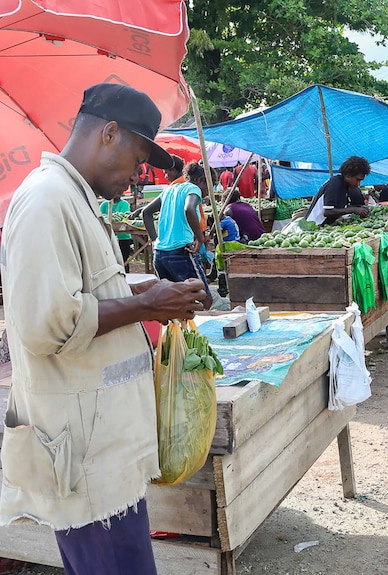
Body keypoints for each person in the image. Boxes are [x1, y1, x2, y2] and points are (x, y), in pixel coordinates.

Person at [0, 83, 209, 575]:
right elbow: (44, 324)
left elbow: (84, 293)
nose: (138, 175)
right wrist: (146, 305)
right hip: (83, 457)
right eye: (138, 160)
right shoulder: (47, 200)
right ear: (109, 134)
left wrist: (149, 297)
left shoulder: (74, 198)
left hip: (105, 448)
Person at [143, 161, 213, 310]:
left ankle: (179, 332)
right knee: (204, 298)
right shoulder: (193, 188)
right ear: (201, 180)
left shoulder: (170, 189)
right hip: (180, 254)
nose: (209, 191)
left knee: (175, 302)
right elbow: (189, 209)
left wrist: (155, 240)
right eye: (209, 186)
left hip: (160, 255)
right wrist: (199, 238)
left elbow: (146, 213)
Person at [306, 156, 371, 226]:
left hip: (326, 225)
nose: (358, 184)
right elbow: (327, 212)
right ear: (348, 175)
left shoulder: (345, 186)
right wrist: (353, 209)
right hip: (313, 225)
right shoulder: (335, 183)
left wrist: (358, 208)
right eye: (357, 180)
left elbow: (340, 208)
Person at [100, 194, 132, 272]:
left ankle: (126, 277)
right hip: (108, 237)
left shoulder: (124, 204)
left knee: (123, 259)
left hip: (123, 237)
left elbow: (124, 216)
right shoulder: (104, 204)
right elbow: (100, 216)